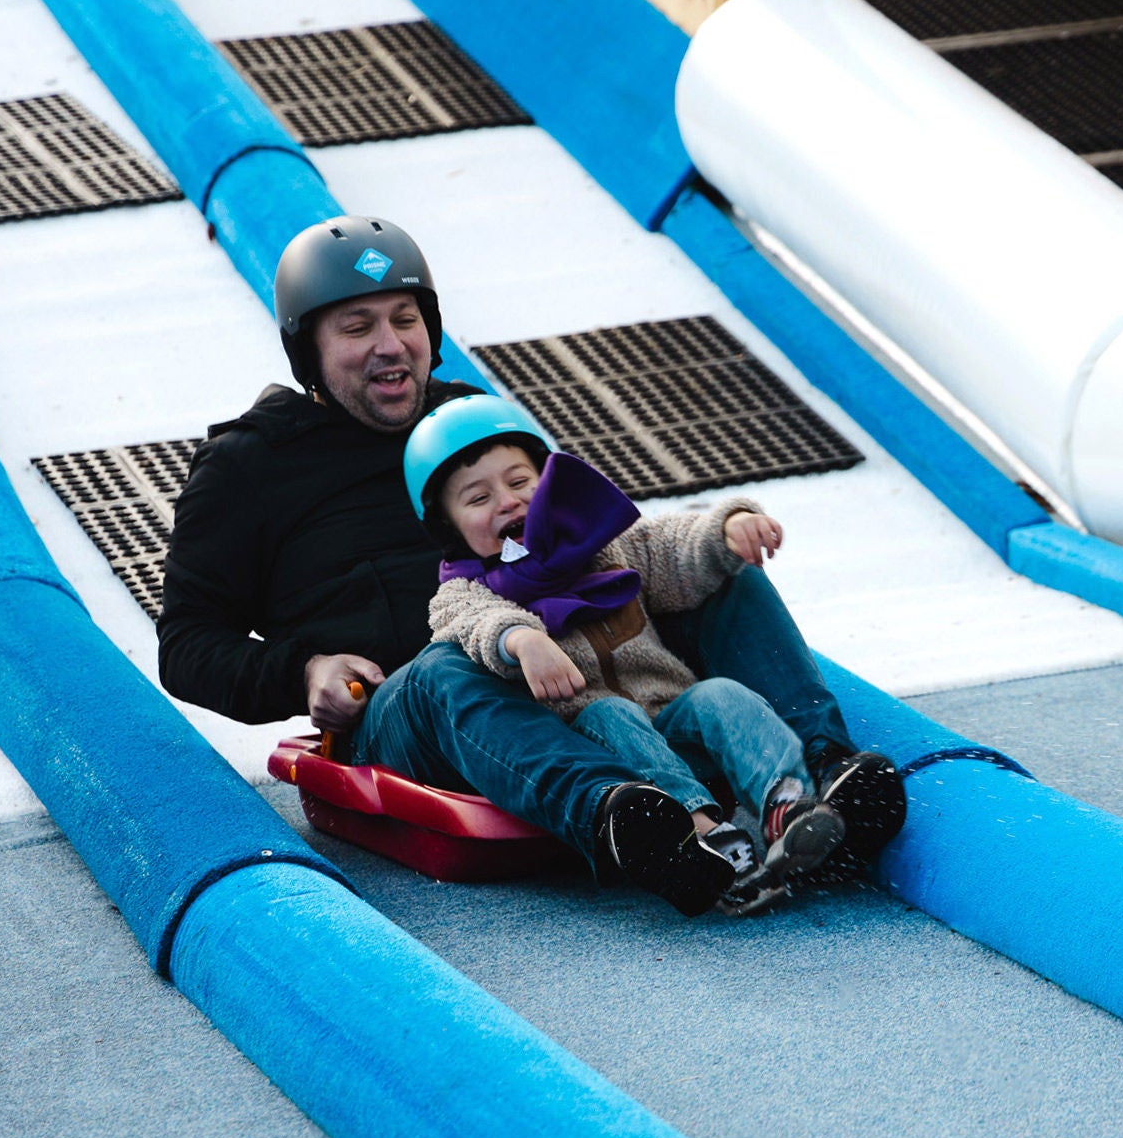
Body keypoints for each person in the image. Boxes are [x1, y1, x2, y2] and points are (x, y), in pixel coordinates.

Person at [157, 213, 904, 916]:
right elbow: (187, 646)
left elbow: (612, 548)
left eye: (406, 320)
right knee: (444, 667)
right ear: (308, 348)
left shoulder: (468, 421)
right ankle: (632, 822)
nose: (390, 345)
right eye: (357, 327)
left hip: (575, 676)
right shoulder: (247, 469)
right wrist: (303, 671)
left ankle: (820, 777)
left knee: (718, 568)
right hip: (415, 714)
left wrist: (722, 534)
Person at [406, 394, 849, 913]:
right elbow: (468, 624)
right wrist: (522, 638)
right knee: (611, 710)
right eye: (477, 499)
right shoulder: (465, 588)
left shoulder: (604, 547)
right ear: (448, 527)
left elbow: (674, 543)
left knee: (720, 694)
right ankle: (703, 836)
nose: (506, 501)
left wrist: (729, 526)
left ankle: (786, 805)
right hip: (604, 754)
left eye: (519, 482)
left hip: (674, 722)